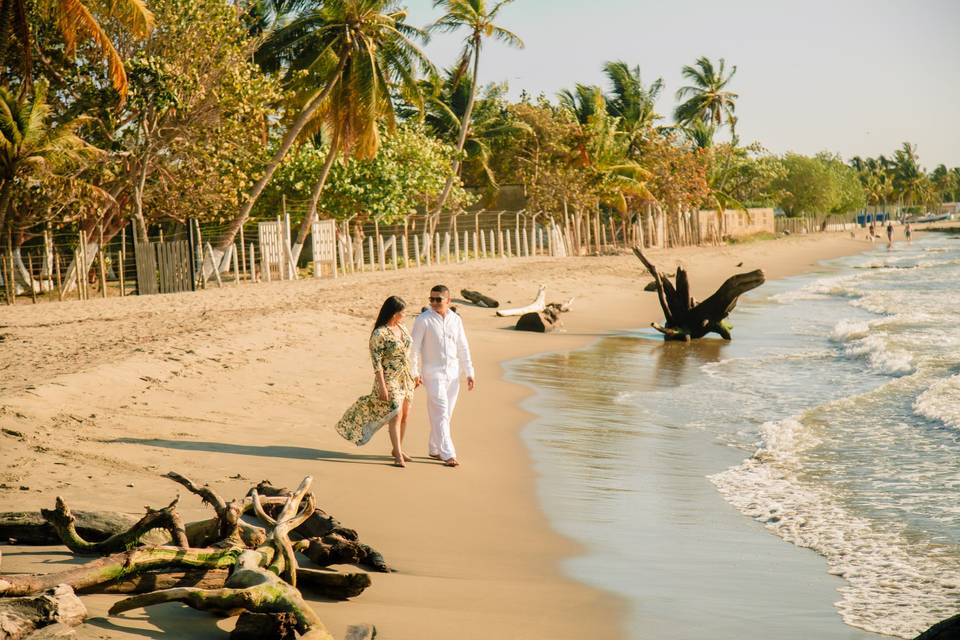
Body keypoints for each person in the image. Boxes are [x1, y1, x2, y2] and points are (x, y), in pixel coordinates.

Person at [335, 296, 416, 467]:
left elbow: (409, 353)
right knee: (395, 412)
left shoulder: (402, 327)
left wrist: (414, 374)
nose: (404, 315)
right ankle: (397, 455)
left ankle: (397, 449)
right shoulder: (379, 333)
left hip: (405, 377)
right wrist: (382, 386)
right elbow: (376, 362)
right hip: (389, 377)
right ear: (394, 313)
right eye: (402, 313)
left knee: (405, 415)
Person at [411, 284, 475, 468]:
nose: (434, 302)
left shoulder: (456, 320)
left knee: (445, 414)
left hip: (454, 374)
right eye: (431, 299)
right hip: (432, 374)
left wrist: (469, 371)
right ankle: (448, 453)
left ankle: (434, 448)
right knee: (440, 412)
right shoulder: (423, 320)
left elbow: (463, 347)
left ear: (448, 300)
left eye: (438, 299)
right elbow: (413, 349)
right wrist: (415, 372)